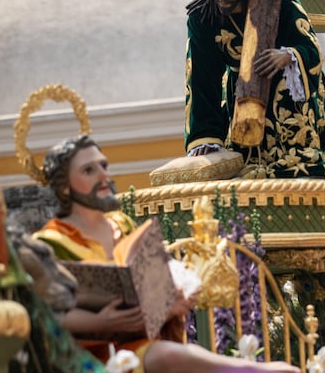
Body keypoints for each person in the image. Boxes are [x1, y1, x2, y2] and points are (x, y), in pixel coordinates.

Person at [34, 134, 299, 373]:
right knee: (167, 355)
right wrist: (101, 321)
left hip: (135, 345)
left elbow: (149, 283)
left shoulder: (121, 224)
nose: (103, 176)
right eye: (88, 170)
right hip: (86, 357)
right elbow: (44, 313)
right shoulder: (50, 242)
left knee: (175, 354)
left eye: (103, 166)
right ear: (65, 187)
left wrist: (174, 298)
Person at [184, 0, 325, 179]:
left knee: (284, 81)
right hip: (240, 93)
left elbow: (309, 46)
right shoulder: (202, 15)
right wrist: (206, 138)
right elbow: (202, 78)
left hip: (284, 86)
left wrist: (288, 56)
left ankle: (297, 159)